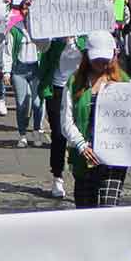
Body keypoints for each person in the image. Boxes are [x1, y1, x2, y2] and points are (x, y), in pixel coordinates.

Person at [59, 31, 130, 208]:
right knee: (86, 214)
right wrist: (82, 146)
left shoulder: (124, 82)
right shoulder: (75, 82)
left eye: (105, 58)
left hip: (113, 161)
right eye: (96, 58)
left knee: (108, 211)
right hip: (85, 160)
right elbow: (66, 121)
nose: (101, 63)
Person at [38, 35, 88, 198]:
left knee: (79, 132)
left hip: (78, 89)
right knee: (59, 135)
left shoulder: (84, 41)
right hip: (56, 90)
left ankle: (80, 170)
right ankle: (57, 176)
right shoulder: (53, 42)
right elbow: (44, 61)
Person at [0, 0, 48, 149]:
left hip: (36, 69)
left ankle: (37, 131)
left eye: (30, 8)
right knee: (22, 104)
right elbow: (8, 52)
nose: (27, 11)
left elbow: (47, 47)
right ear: (21, 11)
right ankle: (22, 135)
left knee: (37, 102)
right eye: (24, 9)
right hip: (19, 70)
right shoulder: (15, 30)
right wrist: (6, 72)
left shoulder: (41, 29)